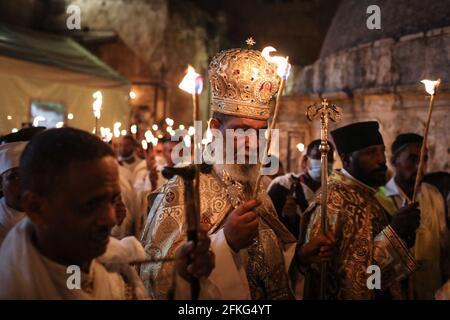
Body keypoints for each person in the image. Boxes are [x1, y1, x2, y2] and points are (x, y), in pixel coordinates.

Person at [140, 47, 333, 300]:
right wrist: (226, 242)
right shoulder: (182, 190)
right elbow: (155, 280)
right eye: (242, 130)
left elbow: (268, 267)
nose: (252, 143)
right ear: (215, 128)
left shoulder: (258, 188)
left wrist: (300, 258)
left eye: (260, 132)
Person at [0, 128, 214, 299]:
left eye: (112, 200)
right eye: (90, 205)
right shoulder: (13, 287)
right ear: (36, 208)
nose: (111, 219)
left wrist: (184, 276)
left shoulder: (115, 265)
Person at [302, 121, 420, 299]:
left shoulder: (366, 193)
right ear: (347, 159)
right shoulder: (334, 201)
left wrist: (402, 236)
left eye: (382, 151)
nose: (381, 160)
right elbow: (347, 276)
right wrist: (394, 233)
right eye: (371, 152)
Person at [375, 133, 449, 299]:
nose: (420, 167)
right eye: (412, 159)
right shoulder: (379, 198)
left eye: (424, 160)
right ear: (394, 161)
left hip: (432, 290)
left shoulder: (434, 194)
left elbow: (444, 244)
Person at [268, 139, 335, 238]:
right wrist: (290, 218)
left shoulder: (334, 191)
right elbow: (269, 222)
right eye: (317, 157)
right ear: (305, 160)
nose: (323, 162)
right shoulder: (282, 184)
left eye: (329, 160)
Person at [0, 127, 45, 247]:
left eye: (31, 174)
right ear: (1, 183)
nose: (26, 184)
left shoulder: (53, 219)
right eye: (15, 177)